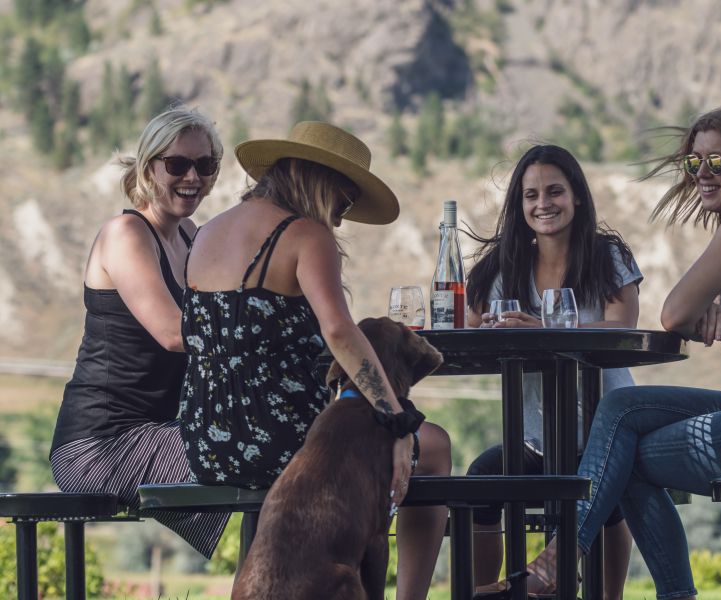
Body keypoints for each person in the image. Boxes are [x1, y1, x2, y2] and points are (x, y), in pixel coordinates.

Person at [520, 106, 721, 599]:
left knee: (621, 456)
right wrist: (715, 309)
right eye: (695, 164)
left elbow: (672, 315)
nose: (703, 175)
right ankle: (570, 561)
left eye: (717, 163)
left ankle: (562, 559)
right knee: (622, 409)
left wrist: (700, 311)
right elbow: (697, 315)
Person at [178, 121, 451, 600]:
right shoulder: (305, 234)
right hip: (282, 437)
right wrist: (399, 422)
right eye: (344, 201)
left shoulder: (208, 232)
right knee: (435, 447)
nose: (341, 219)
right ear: (319, 180)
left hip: (206, 441)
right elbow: (340, 331)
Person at [50, 106, 229, 557]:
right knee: (261, 451)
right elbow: (174, 332)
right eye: (177, 164)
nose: (193, 177)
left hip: (165, 431)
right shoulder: (125, 233)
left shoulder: (190, 235)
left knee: (287, 453)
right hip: (100, 445)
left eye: (205, 165)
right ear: (149, 167)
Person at [465, 144, 642, 599]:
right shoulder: (507, 264)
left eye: (555, 191)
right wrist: (489, 325)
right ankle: (487, 591)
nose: (542, 203)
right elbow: (470, 319)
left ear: (577, 196)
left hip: (605, 431)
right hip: (536, 436)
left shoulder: (606, 255)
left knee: (608, 494)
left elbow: (622, 324)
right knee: (481, 482)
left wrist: (543, 328)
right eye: (530, 195)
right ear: (519, 205)